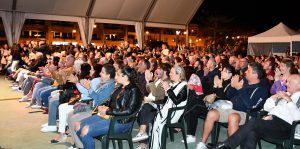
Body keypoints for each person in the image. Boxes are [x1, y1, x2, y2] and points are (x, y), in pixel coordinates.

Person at [209, 74, 300, 149]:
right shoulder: (286, 94)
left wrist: (289, 101)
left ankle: (227, 145)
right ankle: (227, 145)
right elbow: (266, 107)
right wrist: (274, 98)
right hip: (271, 122)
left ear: (298, 85)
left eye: (289, 82)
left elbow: (297, 117)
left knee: (253, 121)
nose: (286, 84)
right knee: (251, 132)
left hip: (286, 128)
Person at [196, 62, 270, 149]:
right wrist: (233, 85)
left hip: (247, 114)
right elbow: (229, 96)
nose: (245, 72)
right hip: (232, 108)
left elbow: (250, 105)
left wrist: (240, 89)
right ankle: (202, 143)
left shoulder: (262, 89)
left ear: (255, 75)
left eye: (249, 71)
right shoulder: (244, 82)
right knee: (211, 113)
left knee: (233, 117)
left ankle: (229, 146)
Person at [74, 66, 143, 149]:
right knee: (77, 125)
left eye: (118, 74)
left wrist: (107, 111)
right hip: (110, 116)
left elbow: (129, 110)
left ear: (125, 77)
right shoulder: (121, 87)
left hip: (121, 122)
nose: (115, 76)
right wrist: (103, 106)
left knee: (85, 130)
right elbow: (111, 101)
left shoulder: (134, 90)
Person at [133, 63, 172, 149]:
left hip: (160, 106)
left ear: (165, 71)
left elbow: (157, 94)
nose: (156, 70)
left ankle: (143, 140)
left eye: (159, 68)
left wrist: (150, 81)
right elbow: (149, 90)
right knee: (144, 110)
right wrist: (148, 81)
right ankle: (143, 134)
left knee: (145, 109)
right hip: (152, 104)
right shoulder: (158, 79)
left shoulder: (167, 82)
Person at [150, 65, 188, 149]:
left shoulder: (184, 86)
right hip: (168, 110)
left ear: (179, 75)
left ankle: (157, 147)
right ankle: (154, 147)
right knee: (155, 120)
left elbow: (176, 101)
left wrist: (168, 89)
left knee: (158, 124)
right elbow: (168, 100)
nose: (169, 74)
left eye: (171, 73)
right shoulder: (174, 84)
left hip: (174, 113)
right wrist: (167, 90)